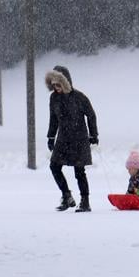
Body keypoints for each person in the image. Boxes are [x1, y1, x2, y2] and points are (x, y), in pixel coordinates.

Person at [45, 65, 98, 212]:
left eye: (59, 84)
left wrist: (93, 135)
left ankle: (85, 201)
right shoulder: (53, 98)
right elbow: (53, 119)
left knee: (79, 171)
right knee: (54, 166)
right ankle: (67, 196)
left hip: (79, 139)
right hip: (63, 139)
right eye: (53, 85)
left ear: (66, 82)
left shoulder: (79, 97)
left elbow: (91, 115)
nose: (56, 87)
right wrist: (50, 136)